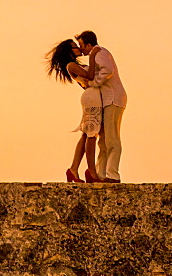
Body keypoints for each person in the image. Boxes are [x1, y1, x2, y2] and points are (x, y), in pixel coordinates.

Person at [45, 39, 102, 183]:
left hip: (92, 96)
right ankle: (92, 172)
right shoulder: (71, 65)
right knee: (91, 135)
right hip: (91, 97)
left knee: (86, 135)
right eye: (74, 47)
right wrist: (93, 55)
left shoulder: (75, 65)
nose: (78, 48)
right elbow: (90, 76)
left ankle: (73, 169)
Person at [76, 30, 127, 183]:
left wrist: (93, 83)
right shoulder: (95, 55)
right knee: (103, 140)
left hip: (113, 98)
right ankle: (102, 173)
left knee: (112, 138)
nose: (82, 50)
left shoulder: (99, 52)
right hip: (106, 99)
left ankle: (113, 175)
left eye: (82, 46)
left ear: (89, 44)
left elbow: (108, 70)